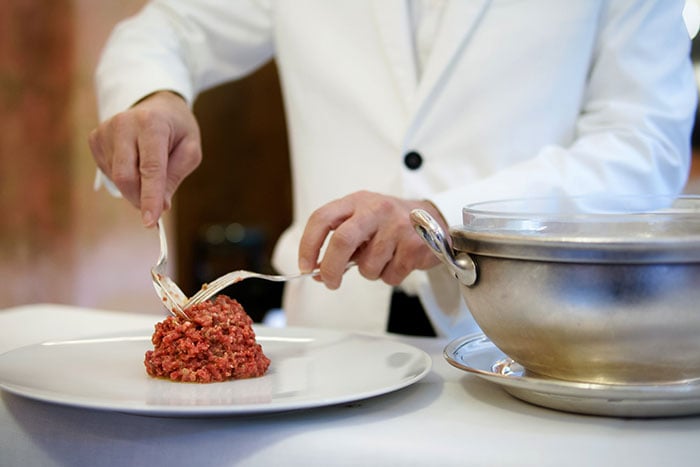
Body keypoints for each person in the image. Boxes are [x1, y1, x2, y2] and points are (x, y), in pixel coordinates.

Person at [89, 0, 697, 338]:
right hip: (332, 336)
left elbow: (645, 149)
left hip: (527, 342)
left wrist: (445, 218)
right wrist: (152, 95)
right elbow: (169, 26)